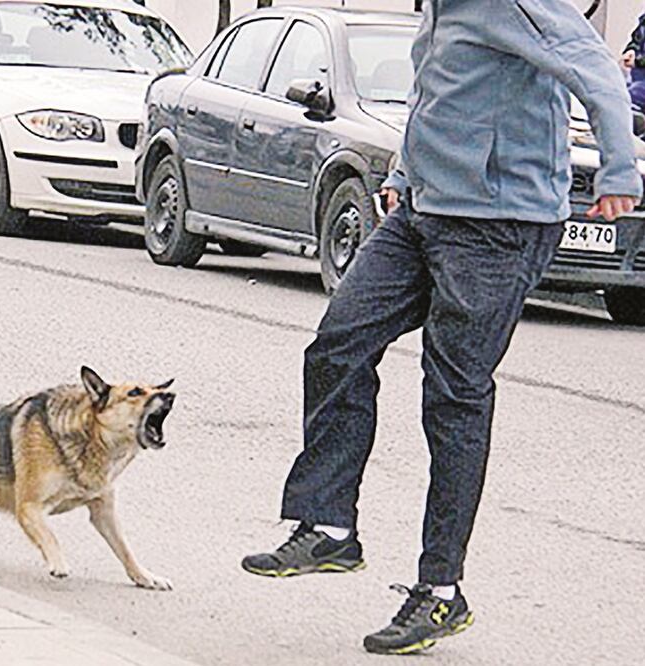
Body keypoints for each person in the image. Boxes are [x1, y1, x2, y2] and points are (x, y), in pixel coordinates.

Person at [241, 0, 641, 656]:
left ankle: (441, 592)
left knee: (453, 395)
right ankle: (329, 526)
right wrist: (403, 173)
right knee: (338, 342)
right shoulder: (439, 8)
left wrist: (621, 171)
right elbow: (435, 97)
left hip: (498, 223)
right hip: (423, 212)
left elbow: (595, 69)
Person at [623, 11, 645, 110]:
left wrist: (638, 61)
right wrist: (631, 50)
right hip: (636, 78)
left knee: (630, 96)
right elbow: (636, 39)